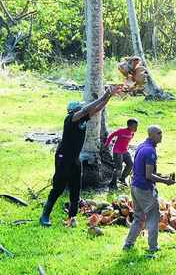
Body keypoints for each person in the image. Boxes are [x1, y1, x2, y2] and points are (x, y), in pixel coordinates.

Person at [39, 85, 121, 227]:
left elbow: (97, 109)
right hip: (64, 157)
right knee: (58, 187)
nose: (83, 111)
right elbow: (86, 110)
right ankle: (45, 216)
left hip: (75, 158)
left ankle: (72, 217)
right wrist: (103, 95)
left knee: (76, 188)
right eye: (80, 109)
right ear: (74, 111)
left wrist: (109, 96)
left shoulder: (82, 120)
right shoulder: (70, 118)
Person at [123, 125, 176, 253]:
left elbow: (144, 170)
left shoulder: (142, 146)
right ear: (151, 135)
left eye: (161, 133)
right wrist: (166, 181)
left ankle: (128, 244)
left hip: (135, 186)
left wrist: (162, 175)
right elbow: (148, 175)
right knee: (153, 217)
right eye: (158, 133)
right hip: (144, 189)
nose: (161, 135)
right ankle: (153, 247)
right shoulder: (150, 152)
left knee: (138, 218)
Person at [104, 118, 138, 189]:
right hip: (117, 151)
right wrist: (107, 144)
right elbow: (112, 135)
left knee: (130, 164)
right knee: (118, 168)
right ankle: (113, 183)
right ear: (129, 126)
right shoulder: (121, 131)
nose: (136, 128)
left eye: (136, 126)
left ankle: (122, 179)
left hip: (125, 151)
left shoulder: (132, 133)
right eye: (134, 127)